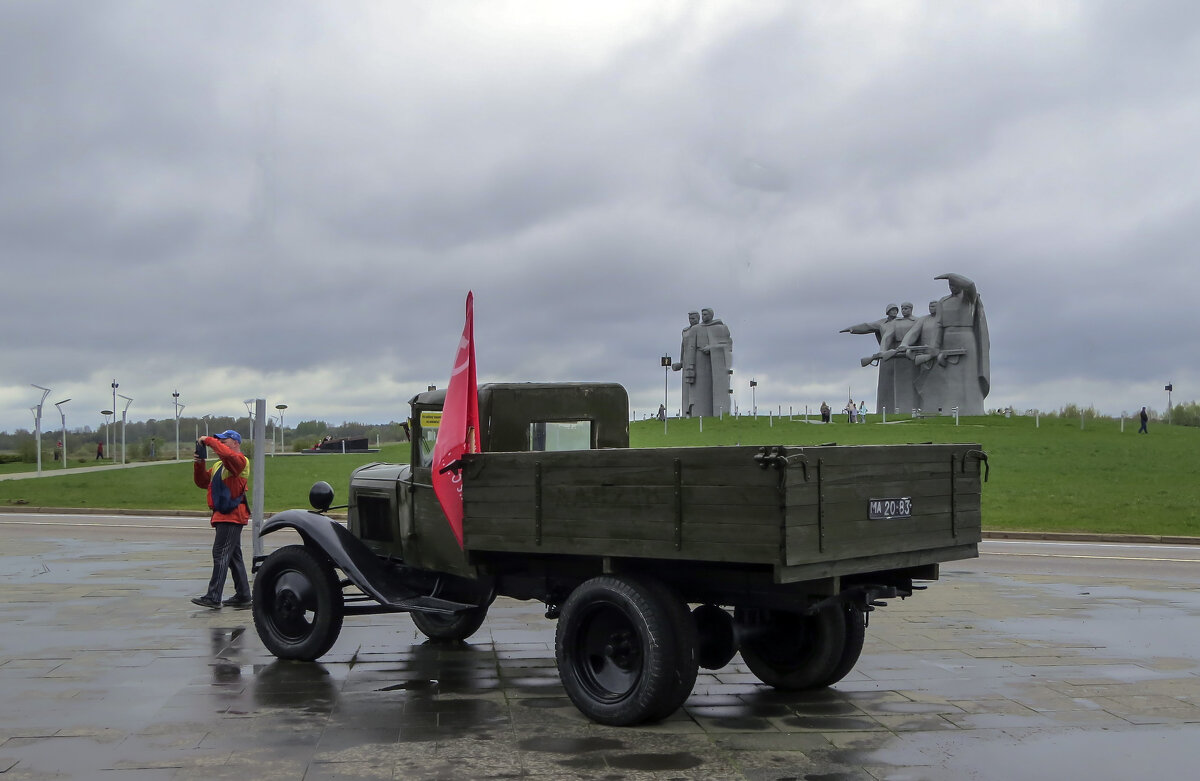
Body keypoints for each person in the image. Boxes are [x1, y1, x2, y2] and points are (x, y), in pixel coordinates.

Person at [191, 429, 252, 609]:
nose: (221, 443)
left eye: (224, 440)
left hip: (231, 515)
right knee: (233, 556)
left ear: (236, 443)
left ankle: (213, 597)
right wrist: (199, 463)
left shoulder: (240, 461)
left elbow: (227, 455)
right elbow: (202, 482)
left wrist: (208, 440)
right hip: (226, 514)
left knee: (220, 553)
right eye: (220, 441)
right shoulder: (219, 465)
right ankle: (243, 595)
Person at [671, 312, 702, 416]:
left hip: (698, 362)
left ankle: (698, 411)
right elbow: (683, 347)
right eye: (690, 318)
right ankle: (686, 413)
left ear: (698, 318)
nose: (691, 320)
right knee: (686, 388)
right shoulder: (685, 331)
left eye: (693, 318)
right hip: (686, 362)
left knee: (697, 388)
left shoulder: (702, 329)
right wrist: (681, 362)